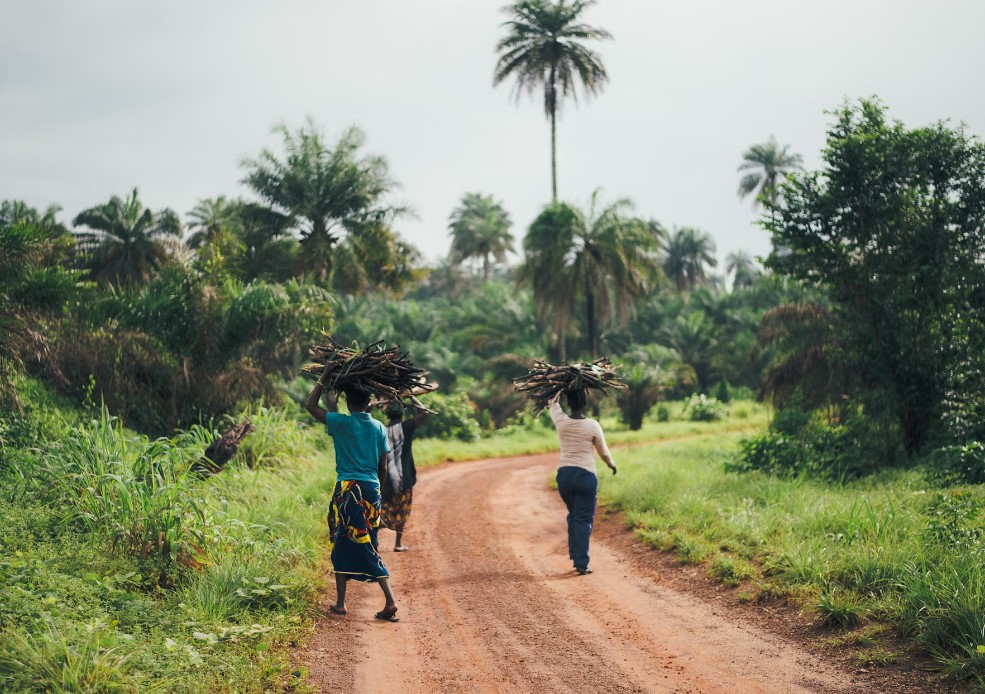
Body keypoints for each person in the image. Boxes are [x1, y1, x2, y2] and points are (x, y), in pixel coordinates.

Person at [305, 366, 399, 622]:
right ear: (369, 402)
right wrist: (377, 492)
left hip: (348, 490)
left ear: (348, 402)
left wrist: (323, 378)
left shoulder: (341, 422)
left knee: (348, 541)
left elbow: (310, 405)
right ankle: (341, 602)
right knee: (360, 540)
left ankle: (388, 601)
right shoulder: (379, 427)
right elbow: (383, 467)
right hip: (371, 490)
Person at [549, 389, 617, 575]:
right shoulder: (592, 425)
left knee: (574, 515)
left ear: (569, 403)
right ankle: (581, 563)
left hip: (564, 477)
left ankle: (575, 554)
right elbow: (603, 452)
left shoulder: (561, 421)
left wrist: (559, 390)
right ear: (585, 403)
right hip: (585, 477)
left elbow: (552, 404)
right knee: (582, 519)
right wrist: (611, 464)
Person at [380, 402, 428, 552]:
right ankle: (398, 543)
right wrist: (413, 398)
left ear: (388, 416)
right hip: (403, 478)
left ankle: (374, 541)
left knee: (382, 508)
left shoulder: (381, 430)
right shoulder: (406, 426)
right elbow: (423, 412)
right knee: (402, 509)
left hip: (385, 478)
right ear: (401, 415)